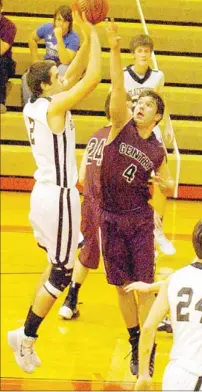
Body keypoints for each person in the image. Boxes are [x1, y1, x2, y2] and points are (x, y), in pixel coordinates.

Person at [7, 12, 101, 374]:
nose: (63, 78)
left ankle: (25, 332)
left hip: (46, 194)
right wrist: (94, 32)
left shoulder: (36, 104)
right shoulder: (55, 106)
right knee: (61, 272)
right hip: (58, 198)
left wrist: (88, 36)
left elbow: (74, 69)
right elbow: (90, 78)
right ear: (47, 87)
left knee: (56, 262)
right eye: (57, 78)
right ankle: (26, 337)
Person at [99, 19, 174, 377]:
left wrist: (166, 184)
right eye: (138, 102)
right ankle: (133, 342)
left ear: (157, 116)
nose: (140, 106)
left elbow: (169, 186)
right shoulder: (119, 124)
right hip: (110, 218)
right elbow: (116, 87)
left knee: (142, 289)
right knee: (120, 287)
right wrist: (114, 49)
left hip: (139, 221)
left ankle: (150, 343)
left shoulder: (158, 150)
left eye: (147, 104)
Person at [59, 91, 133, 319]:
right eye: (130, 106)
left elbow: (81, 176)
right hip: (112, 209)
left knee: (88, 252)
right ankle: (147, 313)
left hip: (90, 206)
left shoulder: (95, 136)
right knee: (130, 260)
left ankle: (70, 300)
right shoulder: (124, 140)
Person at [134, 216, 202, 391]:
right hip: (201, 378)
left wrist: (144, 374)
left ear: (194, 245)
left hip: (172, 374)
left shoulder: (175, 278)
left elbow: (147, 327)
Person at [123, 34, 176, 258]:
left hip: (151, 130)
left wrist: (168, 126)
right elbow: (115, 101)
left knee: (162, 179)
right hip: (130, 130)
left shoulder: (158, 76)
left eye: (147, 51)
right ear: (133, 53)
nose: (143, 55)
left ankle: (158, 230)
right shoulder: (124, 75)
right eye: (140, 51)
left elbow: (162, 103)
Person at [22, 5, 80, 105]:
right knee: (26, 76)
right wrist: (35, 59)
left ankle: (54, 106)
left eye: (65, 21)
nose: (61, 24)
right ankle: (31, 106)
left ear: (70, 23)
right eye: (58, 20)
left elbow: (65, 60)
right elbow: (31, 38)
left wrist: (59, 38)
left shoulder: (73, 38)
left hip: (62, 65)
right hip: (48, 63)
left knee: (62, 70)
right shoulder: (47, 28)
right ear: (54, 20)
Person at [0, 0, 17, 114]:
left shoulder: (9, 26)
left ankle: (1, 101)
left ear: (1, 8)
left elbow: (1, 50)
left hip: (5, 62)